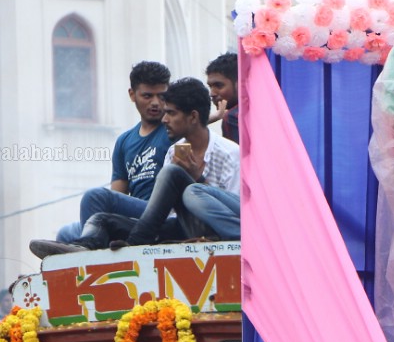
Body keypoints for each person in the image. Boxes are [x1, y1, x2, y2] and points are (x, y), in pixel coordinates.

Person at [31, 79, 240, 254]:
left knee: (183, 182)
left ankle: (137, 240)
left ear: (193, 116)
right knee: (100, 220)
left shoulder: (229, 153)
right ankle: (85, 249)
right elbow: (167, 215)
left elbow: (232, 212)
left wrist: (198, 179)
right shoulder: (173, 150)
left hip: (214, 231)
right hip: (178, 226)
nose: (165, 119)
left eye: (172, 113)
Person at [32, 62, 174, 256]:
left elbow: (195, 126)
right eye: (148, 96)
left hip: (162, 213)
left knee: (95, 196)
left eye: (162, 96)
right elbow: (118, 195)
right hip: (136, 215)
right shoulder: (125, 141)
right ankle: (82, 259)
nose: (156, 103)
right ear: (132, 95)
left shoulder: (173, 130)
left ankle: (88, 254)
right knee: (65, 233)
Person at [206, 52, 239, 144]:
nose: (212, 93)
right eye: (210, 87)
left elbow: (236, 158)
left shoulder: (232, 117)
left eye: (219, 85)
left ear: (238, 84)